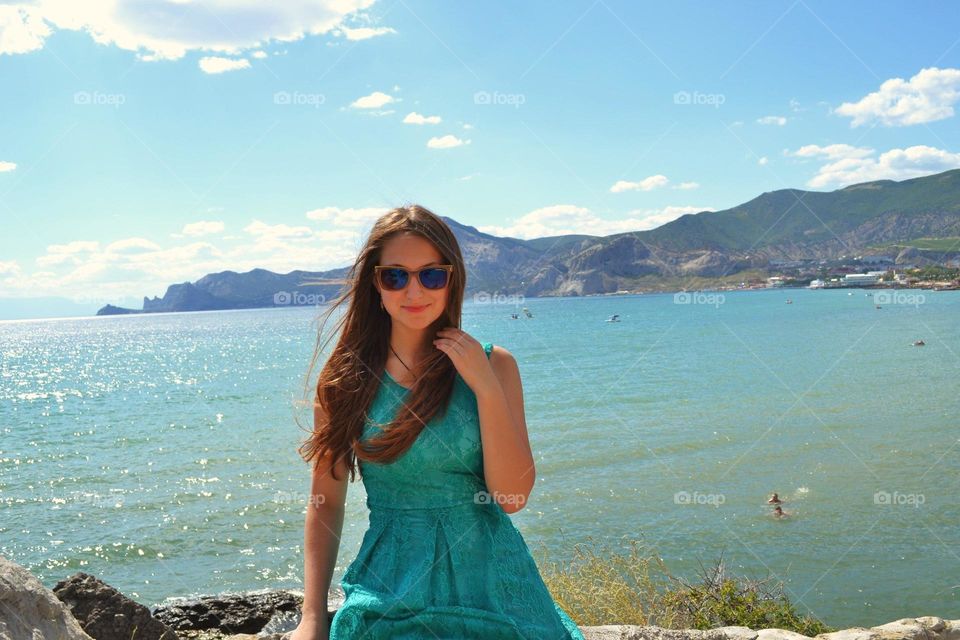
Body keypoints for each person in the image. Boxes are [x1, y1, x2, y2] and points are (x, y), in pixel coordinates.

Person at [291, 205, 585, 639]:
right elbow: (326, 504)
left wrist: (484, 388)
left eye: (431, 275)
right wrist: (313, 617)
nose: (414, 291)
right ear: (376, 283)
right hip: (389, 587)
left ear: (453, 279)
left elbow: (511, 497)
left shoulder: (494, 365)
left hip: (492, 587)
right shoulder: (343, 384)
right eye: (396, 275)